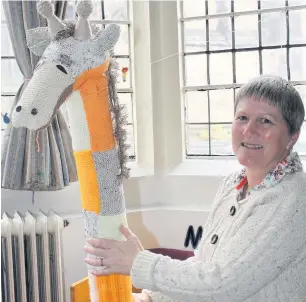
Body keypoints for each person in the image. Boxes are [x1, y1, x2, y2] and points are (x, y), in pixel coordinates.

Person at [84, 75, 306, 302]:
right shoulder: (232, 185)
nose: (249, 130)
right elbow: (204, 264)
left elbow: (223, 285)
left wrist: (139, 262)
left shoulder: (293, 200)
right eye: (242, 117)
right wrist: (152, 298)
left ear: (292, 137)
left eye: (266, 121)